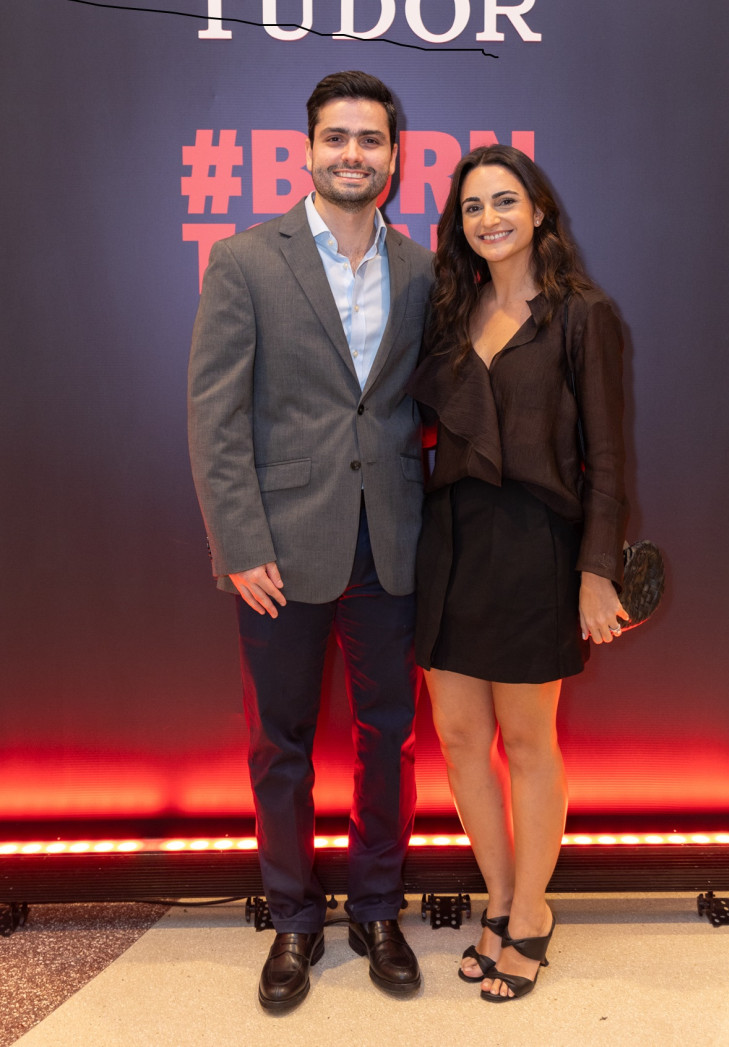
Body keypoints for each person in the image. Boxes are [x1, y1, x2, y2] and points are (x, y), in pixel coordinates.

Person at [188, 71, 433, 1012]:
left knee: (390, 738)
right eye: (337, 138)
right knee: (280, 743)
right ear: (307, 150)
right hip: (278, 553)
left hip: (395, 548)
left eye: (370, 140)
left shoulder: (421, 269)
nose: (353, 155)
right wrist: (237, 543)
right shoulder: (246, 260)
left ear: (395, 157)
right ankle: (293, 917)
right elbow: (215, 415)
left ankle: (377, 905)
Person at [407, 145, 628, 1002]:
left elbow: (606, 458)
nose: (489, 218)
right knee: (462, 740)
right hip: (449, 540)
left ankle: (532, 911)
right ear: (458, 226)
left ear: (538, 211)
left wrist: (596, 569)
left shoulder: (583, 315)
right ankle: (499, 894)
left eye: (505, 201)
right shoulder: (449, 310)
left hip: (538, 546)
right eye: (472, 208)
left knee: (529, 743)